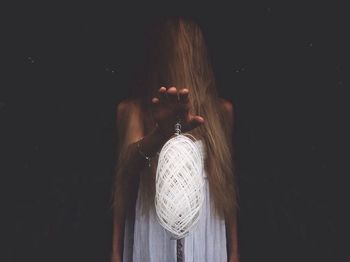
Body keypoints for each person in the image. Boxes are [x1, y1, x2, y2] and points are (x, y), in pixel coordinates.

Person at [110, 16, 239, 262]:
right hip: (153, 226)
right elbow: (123, 182)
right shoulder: (133, 111)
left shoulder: (220, 111)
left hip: (204, 226)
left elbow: (226, 183)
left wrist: (234, 252)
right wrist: (115, 252)